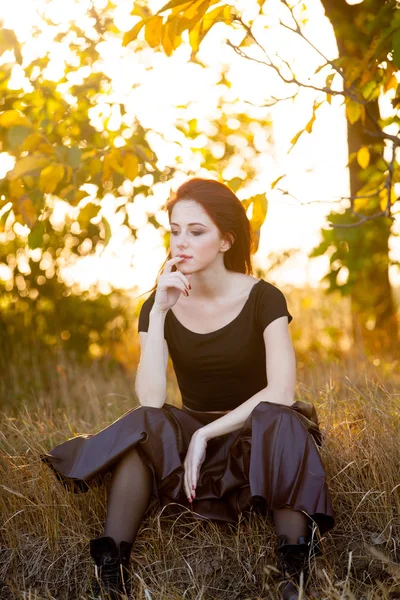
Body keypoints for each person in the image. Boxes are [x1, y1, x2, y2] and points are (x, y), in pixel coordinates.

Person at [41, 177, 336, 600]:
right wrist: (160, 312)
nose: (182, 242)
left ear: (225, 241)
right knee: (146, 425)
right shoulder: (157, 306)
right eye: (175, 230)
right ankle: (111, 570)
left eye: (197, 232)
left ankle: (293, 567)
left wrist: (204, 434)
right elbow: (151, 401)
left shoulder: (265, 298)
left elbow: (281, 390)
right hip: (191, 438)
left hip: (259, 436)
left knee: (281, 417)